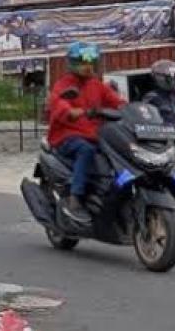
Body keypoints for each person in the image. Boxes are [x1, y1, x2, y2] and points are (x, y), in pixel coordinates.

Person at [47, 42, 126, 223]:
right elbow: (58, 103)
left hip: (95, 135)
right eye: (83, 62)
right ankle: (76, 198)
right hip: (67, 136)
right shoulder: (64, 85)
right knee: (86, 151)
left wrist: (132, 109)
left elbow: (117, 102)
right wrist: (71, 111)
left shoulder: (97, 85)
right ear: (73, 63)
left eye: (91, 62)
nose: (88, 66)